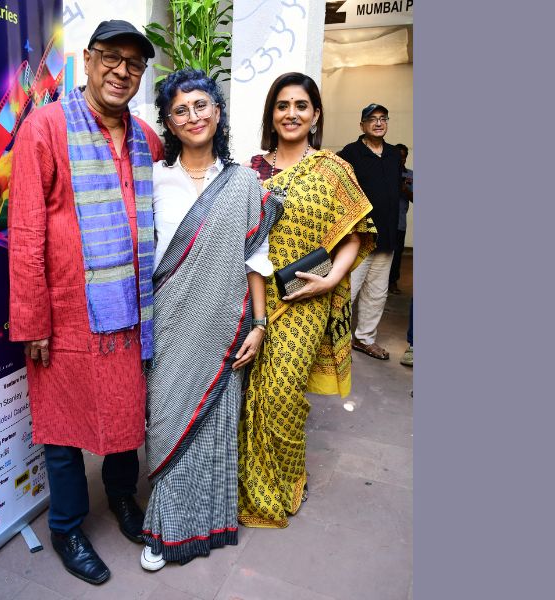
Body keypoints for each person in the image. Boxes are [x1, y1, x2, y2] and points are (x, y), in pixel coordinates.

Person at [7, 20, 163, 586]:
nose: (122, 71)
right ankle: (67, 526)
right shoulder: (45, 127)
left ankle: (122, 497)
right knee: (62, 426)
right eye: (111, 58)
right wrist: (33, 321)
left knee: (126, 413)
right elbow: (26, 230)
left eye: (134, 64)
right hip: (66, 312)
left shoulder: (146, 139)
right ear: (90, 59)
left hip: (131, 311)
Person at [139, 69, 283, 570]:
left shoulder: (243, 182)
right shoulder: (153, 178)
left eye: (201, 105)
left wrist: (259, 325)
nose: (193, 116)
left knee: (215, 425)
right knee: (167, 423)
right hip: (168, 323)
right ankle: (164, 527)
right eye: (180, 110)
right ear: (169, 122)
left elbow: (255, 259)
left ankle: (205, 523)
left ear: (217, 113)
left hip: (223, 326)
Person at [237, 72, 377, 528]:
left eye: (301, 105)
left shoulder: (333, 170)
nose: (291, 113)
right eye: (283, 105)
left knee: (282, 394)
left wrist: (331, 278)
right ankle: (251, 480)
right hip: (251, 298)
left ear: (315, 114)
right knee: (248, 395)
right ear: (271, 114)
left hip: (307, 298)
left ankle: (288, 479)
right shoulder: (251, 170)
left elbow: (357, 232)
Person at [337, 104, 402, 360]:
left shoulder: (394, 154)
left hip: (386, 236)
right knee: (347, 292)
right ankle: (334, 344)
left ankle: (365, 339)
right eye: (372, 119)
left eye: (383, 118)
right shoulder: (349, 153)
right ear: (362, 125)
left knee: (377, 293)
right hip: (358, 237)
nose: (378, 123)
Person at [389, 143, 413, 294]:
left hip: (399, 223)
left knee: (397, 255)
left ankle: (392, 282)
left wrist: (405, 190)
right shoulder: (385, 172)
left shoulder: (410, 175)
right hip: (383, 222)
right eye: (398, 157)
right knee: (378, 254)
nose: (400, 160)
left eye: (403, 157)